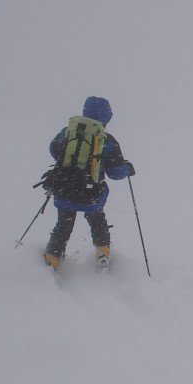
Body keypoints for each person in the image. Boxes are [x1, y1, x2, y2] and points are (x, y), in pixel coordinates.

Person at [43, 96, 134, 270]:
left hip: (65, 189)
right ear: (106, 117)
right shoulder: (108, 141)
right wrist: (127, 169)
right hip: (91, 195)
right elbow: (115, 173)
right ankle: (103, 253)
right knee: (98, 222)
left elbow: (53, 149)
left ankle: (52, 258)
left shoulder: (67, 132)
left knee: (63, 225)